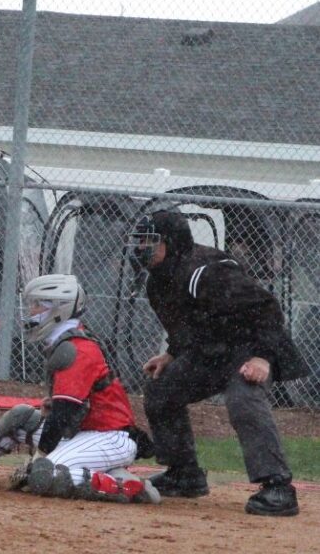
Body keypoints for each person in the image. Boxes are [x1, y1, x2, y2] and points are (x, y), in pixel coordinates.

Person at [0, 274, 160, 505]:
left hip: (110, 438)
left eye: (39, 305)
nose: (32, 311)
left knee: (45, 474)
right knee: (21, 418)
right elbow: (68, 408)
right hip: (86, 433)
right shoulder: (65, 340)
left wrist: (38, 458)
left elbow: (62, 415)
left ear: (59, 309)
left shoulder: (76, 348)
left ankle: (127, 486)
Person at [127, 209, 308, 516]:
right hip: (212, 352)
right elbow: (188, 322)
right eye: (140, 240)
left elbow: (266, 309)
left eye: (149, 241)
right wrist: (171, 353)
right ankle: (184, 474)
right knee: (162, 390)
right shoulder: (159, 279)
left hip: (250, 347)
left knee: (243, 400)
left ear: (170, 243)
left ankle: (278, 487)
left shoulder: (206, 271)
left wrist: (262, 357)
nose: (140, 247)